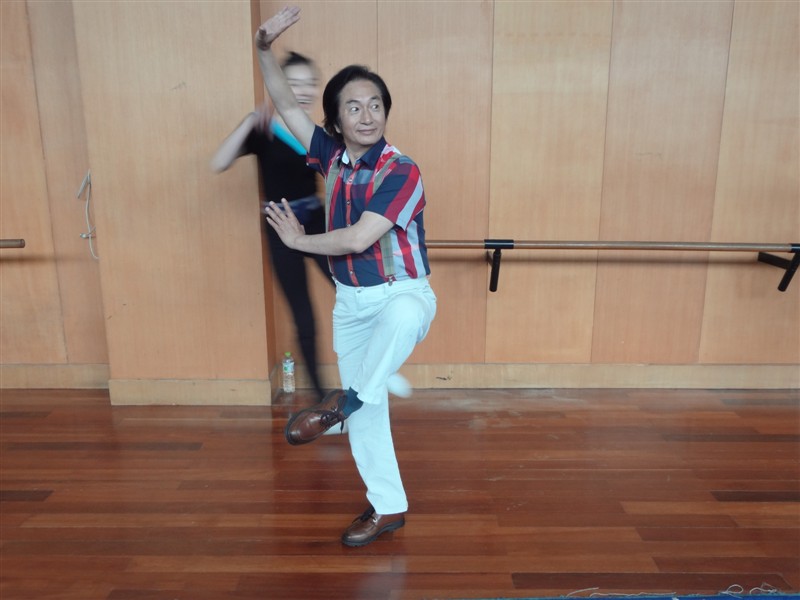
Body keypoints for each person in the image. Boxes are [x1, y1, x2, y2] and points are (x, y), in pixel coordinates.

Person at [255, 6, 437, 547]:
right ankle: (388, 506)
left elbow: (359, 238)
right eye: (354, 107)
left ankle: (342, 403)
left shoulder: (401, 170)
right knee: (371, 414)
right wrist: (263, 48)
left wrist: (298, 242)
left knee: (402, 317)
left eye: (375, 105)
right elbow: (285, 103)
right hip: (353, 304)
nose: (367, 115)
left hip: (403, 293)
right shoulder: (331, 156)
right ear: (335, 121)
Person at [211, 51, 331, 401]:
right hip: (281, 230)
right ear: (278, 86)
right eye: (293, 84)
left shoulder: (318, 134)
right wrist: (250, 120)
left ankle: (375, 374)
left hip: (318, 224)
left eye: (309, 83)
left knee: (358, 294)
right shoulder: (263, 130)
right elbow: (218, 162)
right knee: (304, 317)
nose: (303, 90)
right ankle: (323, 401)